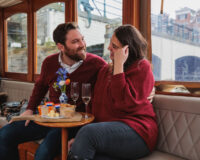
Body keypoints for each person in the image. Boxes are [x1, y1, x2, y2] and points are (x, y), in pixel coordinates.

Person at [0, 22, 106, 160]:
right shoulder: (49, 62)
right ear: (61, 46)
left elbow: (111, 85)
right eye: (75, 41)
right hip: (50, 116)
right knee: (5, 134)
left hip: (74, 122)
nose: (82, 44)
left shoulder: (97, 64)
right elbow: (40, 86)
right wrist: (30, 109)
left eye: (82, 39)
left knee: (43, 154)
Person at [67, 25, 158, 160]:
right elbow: (95, 105)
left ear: (126, 51)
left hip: (138, 132)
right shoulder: (105, 70)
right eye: (110, 43)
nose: (109, 48)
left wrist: (119, 67)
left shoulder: (141, 67)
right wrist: (80, 139)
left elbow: (124, 103)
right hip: (110, 136)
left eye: (114, 46)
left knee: (87, 134)